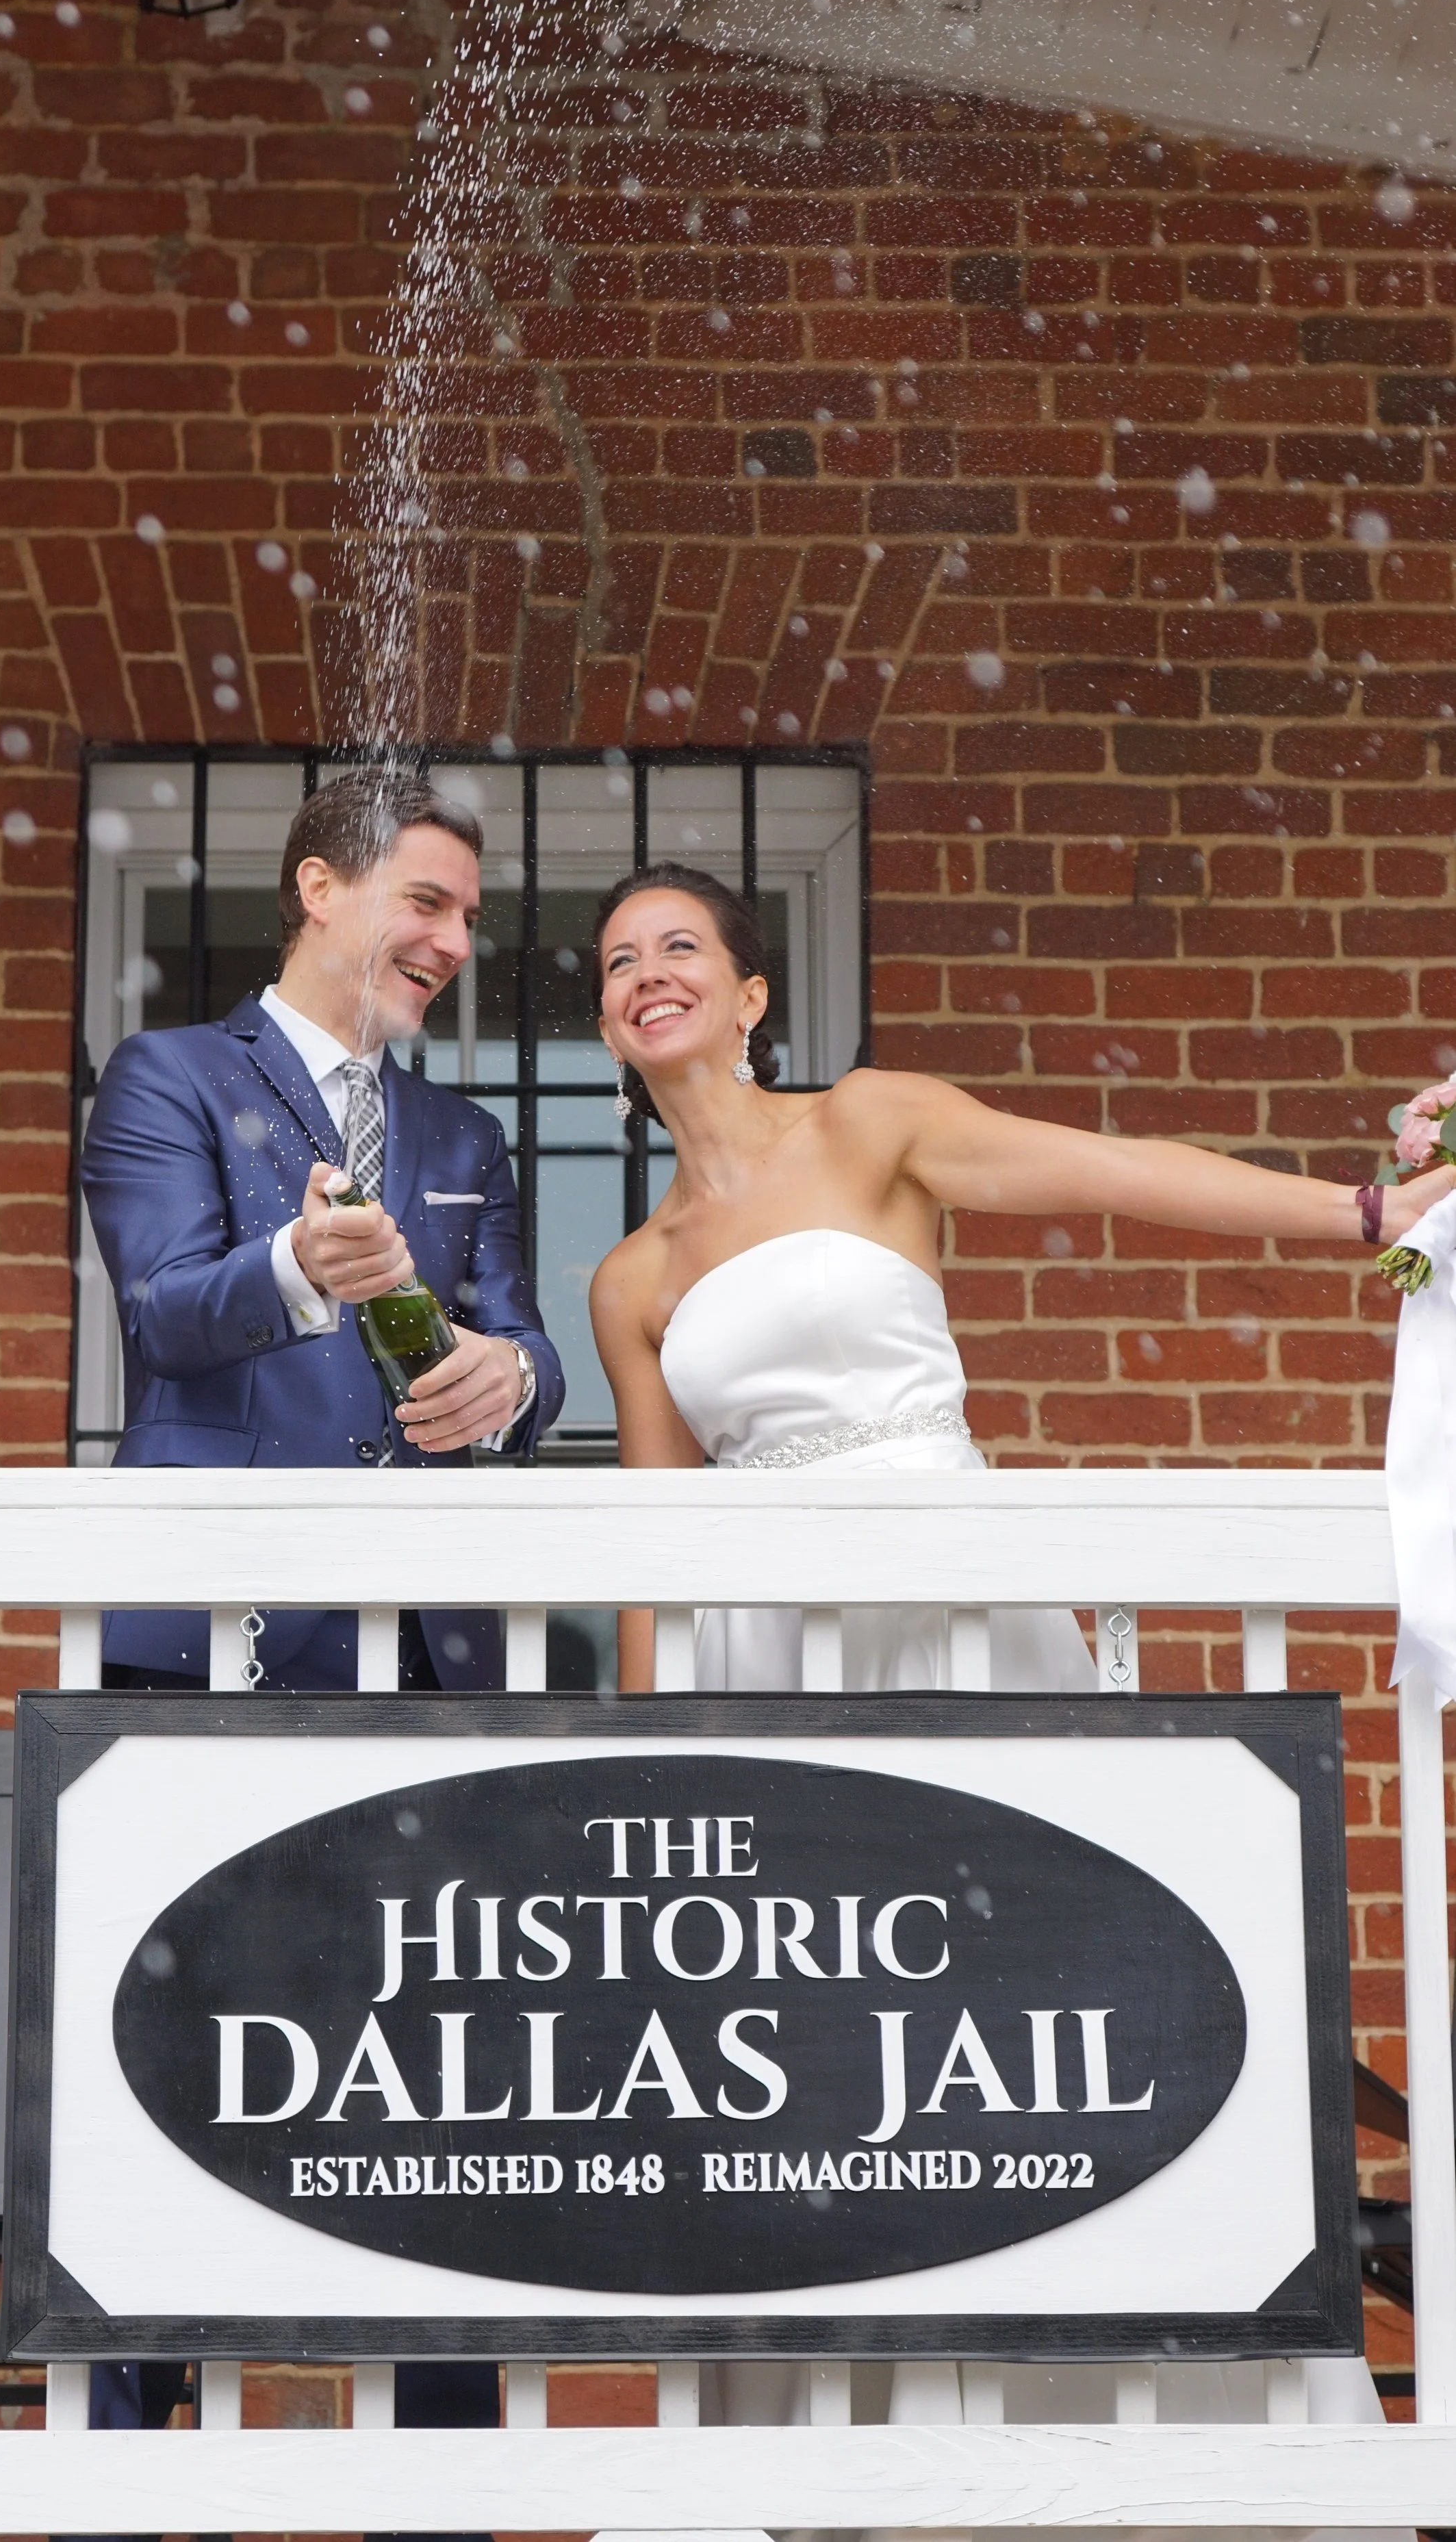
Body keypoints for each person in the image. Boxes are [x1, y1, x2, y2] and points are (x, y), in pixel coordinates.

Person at [587, 862, 1447, 2487]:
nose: (647, 973)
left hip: (953, 1595)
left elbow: (1117, 1171)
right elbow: (651, 1550)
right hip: (772, 1652)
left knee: (1047, 1988)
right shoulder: (630, 1277)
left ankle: (1145, 2432)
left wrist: (1360, 1212)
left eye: (679, 945)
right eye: (618, 960)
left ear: (751, 994)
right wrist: (649, 1769)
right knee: (829, 2043)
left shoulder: (869, 1124)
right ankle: (850, 2453)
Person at [77, 769, 563, 2505]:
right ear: (317, 887)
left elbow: (518, 1338)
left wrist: (514, 1383)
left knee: (448, 2102)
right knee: (158, 2084)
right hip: (206, 1660)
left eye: (465, 918)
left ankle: (440, 2498)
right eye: (423, 901)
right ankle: (124, 2494)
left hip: (417, 1682)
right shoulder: (168, 1078)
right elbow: (162, 1310)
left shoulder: (463, 1140)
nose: (449, 941)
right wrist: (295, 1265)